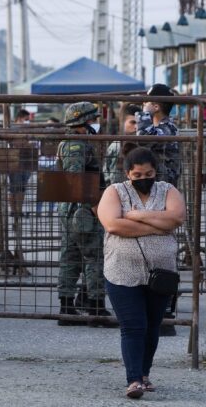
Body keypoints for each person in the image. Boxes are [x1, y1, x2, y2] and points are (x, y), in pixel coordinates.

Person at [96, 147, 185, 399]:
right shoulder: (114, 192)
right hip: (122, 272)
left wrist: (136, 215)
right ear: (128, 174)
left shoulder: (168, 190)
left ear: (155, 172)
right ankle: (134, 379)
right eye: (137, 175)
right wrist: (158, 225)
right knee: (133, 326)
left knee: (152, 325)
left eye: (148, 174)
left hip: (161, 274)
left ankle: (145, 374)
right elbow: (113, 224)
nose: (143, 178)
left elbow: (177, 218)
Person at [56, 101, 112, 325]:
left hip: (74, 208)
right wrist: (92, 205)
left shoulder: (75, 142)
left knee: (70, 256)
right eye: (93, 119)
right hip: (82, 209)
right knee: (94, 256)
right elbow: (75, 180)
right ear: (83, 121)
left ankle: (67, 307)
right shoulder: (76, 145)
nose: (96, 123)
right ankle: (96, 307)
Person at [137, 84, 180, 337]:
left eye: (148, 101)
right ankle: (154, 310)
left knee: (164, 252)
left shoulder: (167, 127)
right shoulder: (160, 126)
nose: (144, 104)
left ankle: (166, 313)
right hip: (156, 195)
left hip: (165, 197)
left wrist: (144, 114)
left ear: (156, 105)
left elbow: (143, 138)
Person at [104, 103, 142, 185]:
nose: (136, 127)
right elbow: (115, 179)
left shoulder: (141, 143)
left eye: (139, 123)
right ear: (122, 122)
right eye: (133, 122)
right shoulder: (117, 146)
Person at [8, 109, 33, 219]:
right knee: (14, 188)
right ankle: (14, 211)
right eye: (26, 119)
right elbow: (16, 143)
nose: (27, 121)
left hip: (26, 160)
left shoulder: (26, 128)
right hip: (15, 160)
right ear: (20, 117)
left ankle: (19, 210)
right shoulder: (13, 127)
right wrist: (27, 144)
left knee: (22, 188)